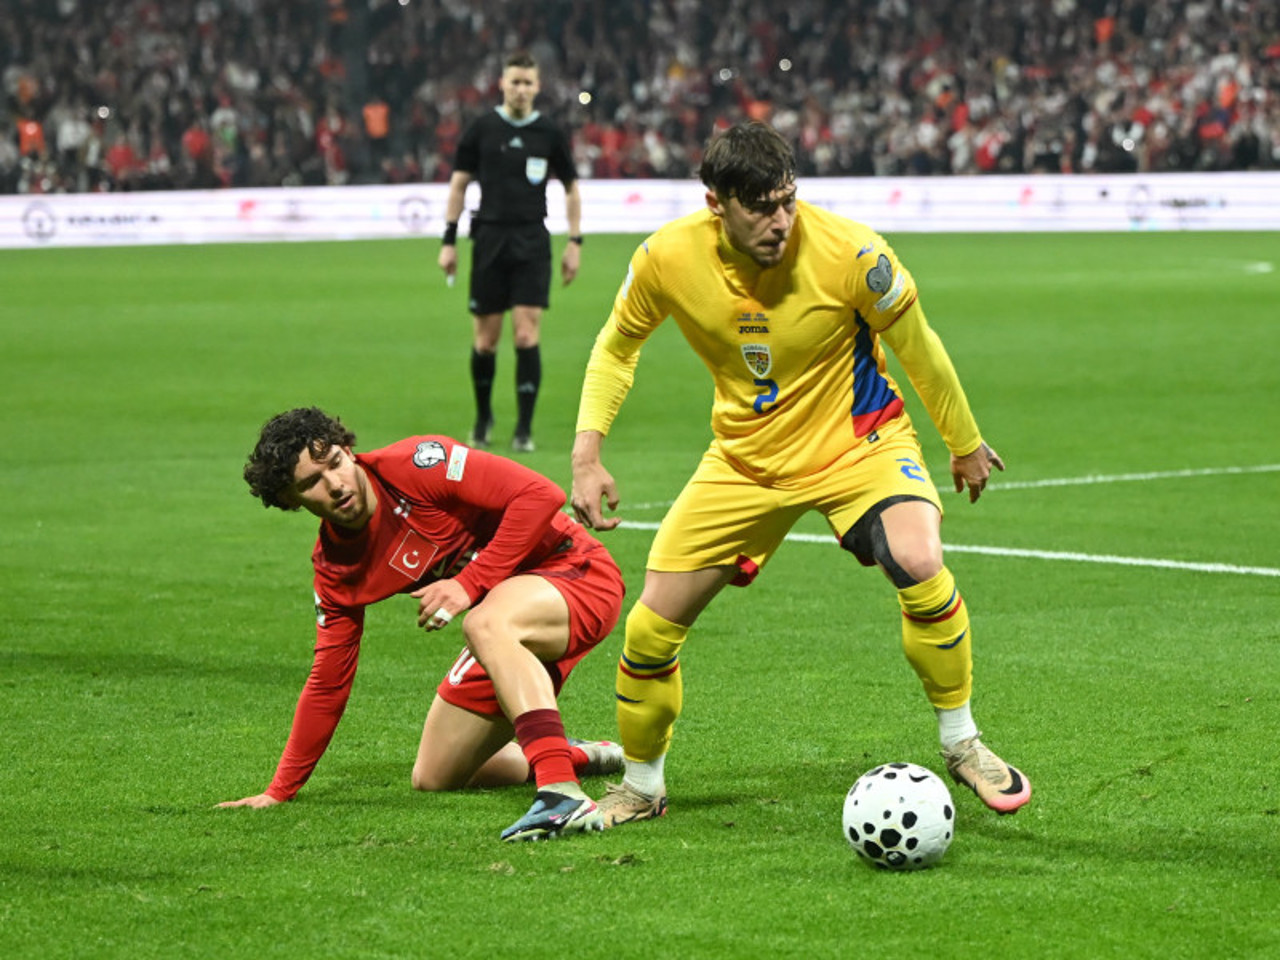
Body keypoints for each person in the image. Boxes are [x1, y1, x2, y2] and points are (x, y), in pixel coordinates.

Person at [570, 121, 1032, 828]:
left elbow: (918, 347)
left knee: (917, 558)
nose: (778, 220)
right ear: (716, 203)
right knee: (649, 632)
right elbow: (616, 347)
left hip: (860, 445)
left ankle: (963, 741)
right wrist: (587, 453)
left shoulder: (852, 251)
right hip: (745, 461)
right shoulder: (666, 257)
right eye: (759, 206)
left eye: (786, 200)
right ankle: (641, 786)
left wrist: (963, 443)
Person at [219, 407, 625, 842]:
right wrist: (280, 790)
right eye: (311, 483)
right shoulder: (336, 571)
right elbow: (328, 682)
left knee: (484, 622)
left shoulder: (416, 464)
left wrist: (468, 584)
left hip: (576, 573)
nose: (335, 485)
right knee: (435, 776)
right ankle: (579, 756)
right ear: (289, 501)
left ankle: (561, 792)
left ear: (349, 451)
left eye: (335, 463)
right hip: (506, 626)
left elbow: (540, 495)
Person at [437, 51, 583, 454]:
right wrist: (448, 241)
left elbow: (571, 188)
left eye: (527, 82)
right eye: (514, 81)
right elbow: (458, 185)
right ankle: (483, 418)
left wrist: (575, 242)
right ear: (502, 83)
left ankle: (523, 427)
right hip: (488, 239)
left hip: (532, 240)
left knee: (525, 334)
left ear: (538, 87)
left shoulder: (549, 133)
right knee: (485, 341)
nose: (520, 89)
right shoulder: (481, 129)